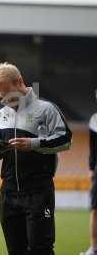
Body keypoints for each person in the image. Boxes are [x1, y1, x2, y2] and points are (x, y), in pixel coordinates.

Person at [0, 62, 72, 255]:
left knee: (41, 249)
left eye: (6, 93)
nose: (4, 99)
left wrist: (33, 143)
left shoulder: (47, 109)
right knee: (15, 250)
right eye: (0, 95)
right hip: (8, 192)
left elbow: (65, 141)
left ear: (19, 82)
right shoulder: (0, 115)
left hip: (38, 191)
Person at [81, 90, 97, 255]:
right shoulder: (94, 120)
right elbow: (93, 149)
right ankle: (94, 248)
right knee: (95, 209)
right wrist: (92, 168)